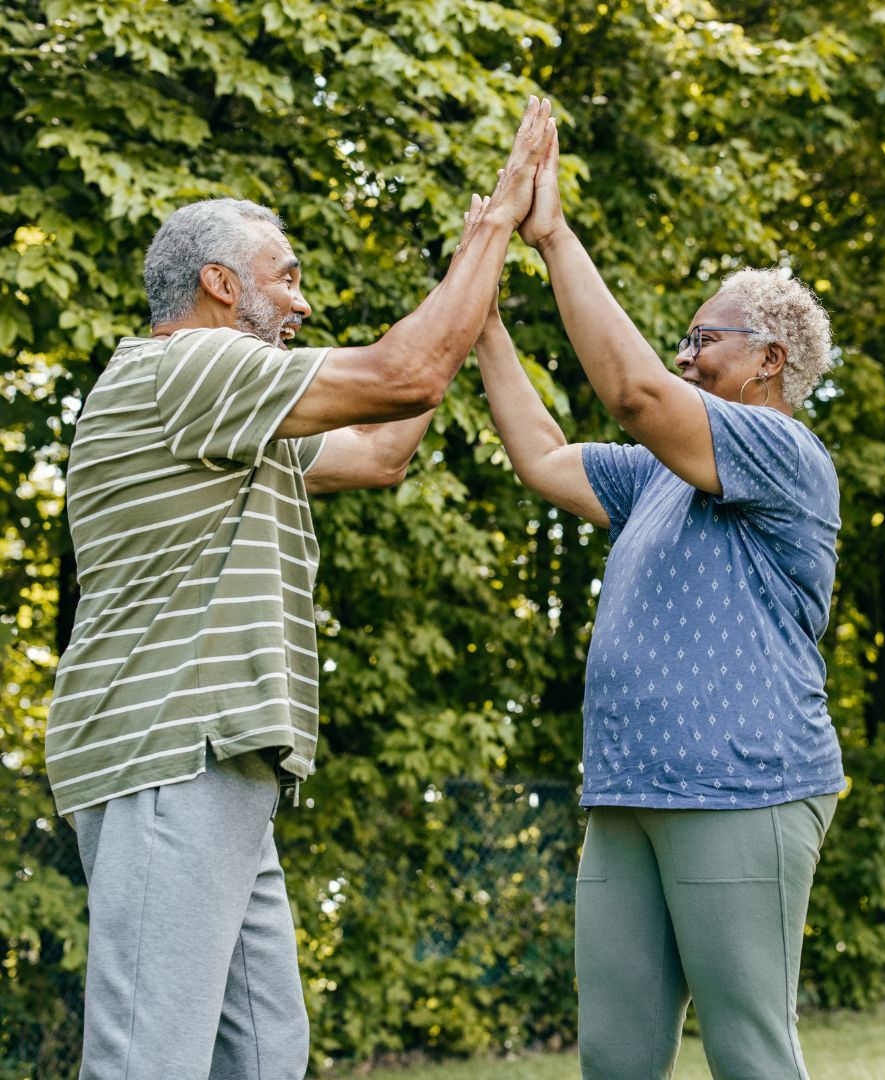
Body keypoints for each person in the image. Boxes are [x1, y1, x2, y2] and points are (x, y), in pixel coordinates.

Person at [45, 97, 556, 1080]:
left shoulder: (228, 411)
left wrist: (474, 299)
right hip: (166, 749)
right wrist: (495, 221)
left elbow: (382, 447)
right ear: (220, 284)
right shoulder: (185, 369)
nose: (304, 301)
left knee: (266, 1053)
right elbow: (405, 373)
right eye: (288, 278)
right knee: (149, 1061)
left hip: (225, 759)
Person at [474, 130, 844, 1078]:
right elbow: (544, 458)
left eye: (703, 339)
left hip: (741, 788)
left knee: (748, 1053)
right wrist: (480, 319)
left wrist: (553, 240)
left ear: (770, 359)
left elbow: (635, 393)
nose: (684, 356)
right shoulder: (659, 480)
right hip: (628, 792)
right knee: (616, 1058)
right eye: (683, 339)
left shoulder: (780, 453)